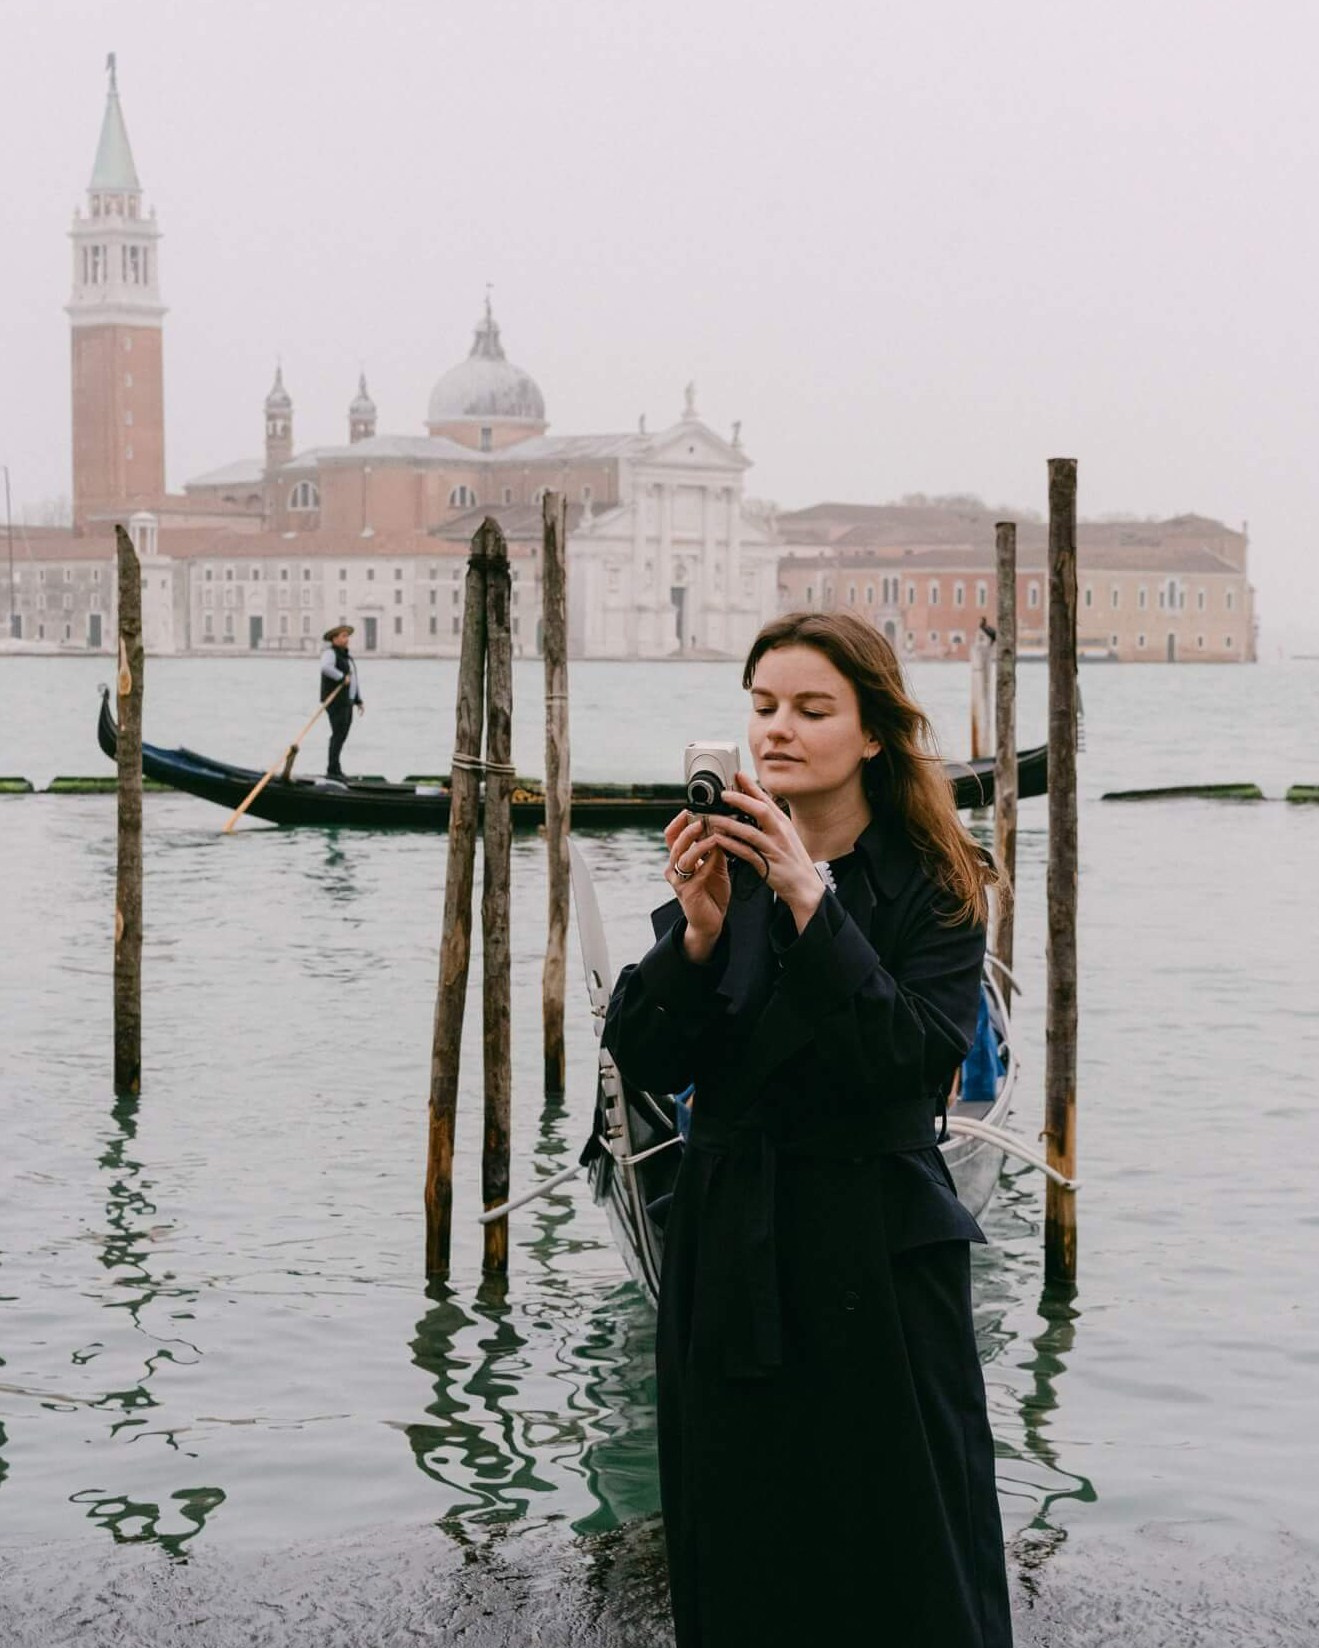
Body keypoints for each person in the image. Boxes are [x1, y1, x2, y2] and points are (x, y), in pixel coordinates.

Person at [602, 610, 1014, 1648]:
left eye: (810, 709)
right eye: (762, 706)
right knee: (742, 1532)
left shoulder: (937, 882)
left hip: (875, 1244)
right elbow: (649, 1060)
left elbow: (911, 1064)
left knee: (898, 1537)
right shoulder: (721, 867)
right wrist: (693, 935)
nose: (776, 729)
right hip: (731, 1235)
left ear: (871, 731)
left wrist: (807, 899)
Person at [319, 625, 364, 779]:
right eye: (344, 636)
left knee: (342, 734)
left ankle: (336, 768)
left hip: (347, 701)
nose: (347, 639)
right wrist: (340, 677)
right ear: (335, 638)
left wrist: (358, 700)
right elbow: (325, 668)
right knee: (338, 734)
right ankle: (332, 770)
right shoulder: (330, 653)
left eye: (347, 636)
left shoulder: (346, 657)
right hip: (335, 701)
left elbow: (353, 680)